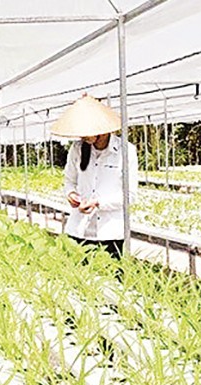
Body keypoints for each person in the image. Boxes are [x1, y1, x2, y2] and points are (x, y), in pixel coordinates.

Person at [52, 94, 138, 260]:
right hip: (79, 229)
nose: (82, 136)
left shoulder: (125, 151)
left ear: (103, 130)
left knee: (111, 280)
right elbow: (69, 181)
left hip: (110, 232)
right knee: (80, 278)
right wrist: (71, 195)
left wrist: (98, 203)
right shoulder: (77, 149)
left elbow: (130, 195)